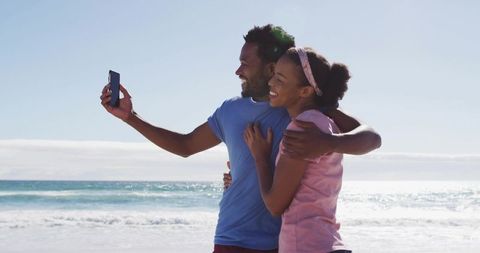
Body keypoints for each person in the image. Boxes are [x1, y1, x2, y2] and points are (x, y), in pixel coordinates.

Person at [100, 24, 381, 253]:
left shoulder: (301, 109)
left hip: (283, 244)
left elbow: (369, 137)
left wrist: (329, 143)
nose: (238, 71)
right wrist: (131, 117)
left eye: (245, 63)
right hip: (232, 239)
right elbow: (185, 146)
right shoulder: (231, 110)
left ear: (272, 69)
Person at [245, 47, 353, 253]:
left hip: (306, 245)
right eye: (274, 75)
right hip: (330, 243)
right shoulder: (325, 123)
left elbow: (275, 205)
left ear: (305, 91)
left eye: (280, 79)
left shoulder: (302, 128)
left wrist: (259, 158)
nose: (271, 83)